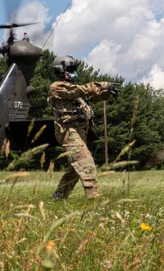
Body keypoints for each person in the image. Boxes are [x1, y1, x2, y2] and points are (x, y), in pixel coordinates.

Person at [47, 55, 120, 199]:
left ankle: (58, 197)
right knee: (86, 165)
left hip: (80, 131)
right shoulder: (57, 87)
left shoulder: (75, 91)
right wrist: (103, 85)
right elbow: (80, 90)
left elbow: (92, 96)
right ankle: (94, 199)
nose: (75, 72)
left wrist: (106, 92)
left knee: (75, 170)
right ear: (62, 71)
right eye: (71, 69)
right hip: (68, 132)